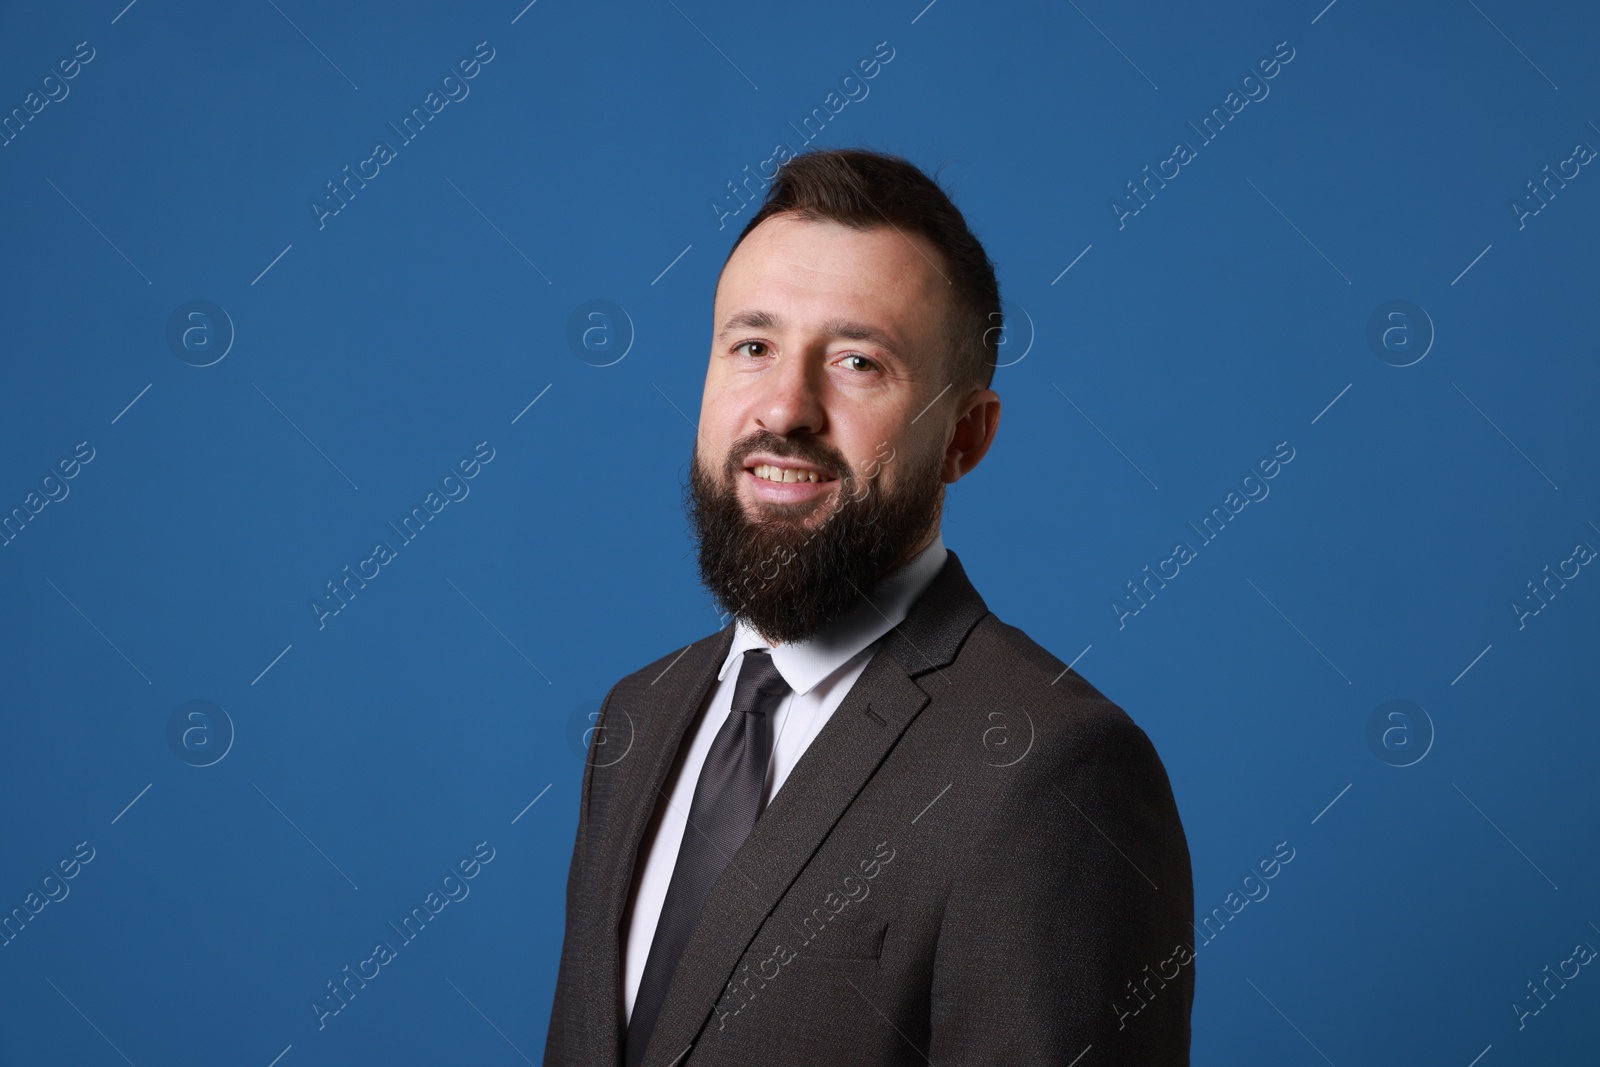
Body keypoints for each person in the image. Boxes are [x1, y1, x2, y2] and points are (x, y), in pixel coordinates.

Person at [544, 147, 1194, 1066]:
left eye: (857, 361)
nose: (786, 408)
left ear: (964, 436)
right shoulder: (638, 717)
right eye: (753, 345)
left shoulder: (1053, 768)